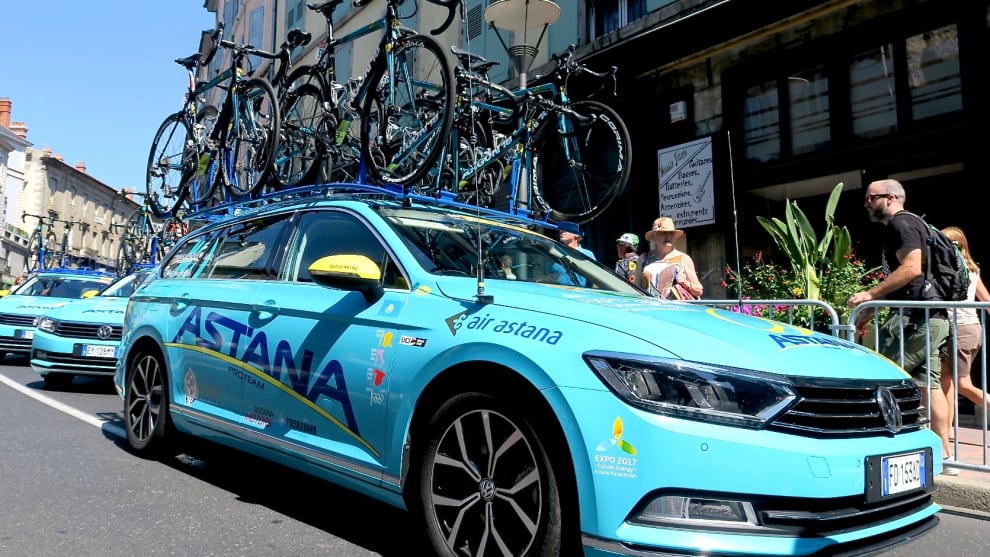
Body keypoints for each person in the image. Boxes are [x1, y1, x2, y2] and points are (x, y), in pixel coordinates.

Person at [847, 179, 953, 469]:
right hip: (932, 317)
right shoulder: (916, 224)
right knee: (929, 386)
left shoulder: (900, 224)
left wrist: (869, 294)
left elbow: (911, 268)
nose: (867, 203)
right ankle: (944, 454)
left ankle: (875, 451)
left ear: (891, 198)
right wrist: (874, 307)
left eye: (871, 198)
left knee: (880, 376)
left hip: (912, 320)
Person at [939, 227, 990, 456]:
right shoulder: (972, 269)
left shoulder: (952, 270)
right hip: (967, 329)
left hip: (961, 329)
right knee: (946, 380)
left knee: (962, 384)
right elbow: (986, 300)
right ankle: (947, 430)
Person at [638, 217, 703, 299]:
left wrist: (685, 283)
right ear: (654, 237)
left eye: (671, 233)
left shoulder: (684, 259)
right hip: (649, 309)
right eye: (662, 233)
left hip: (676, 310)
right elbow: (634, 289)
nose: (668, 236)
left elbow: (699, 291)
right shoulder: (643, 259)